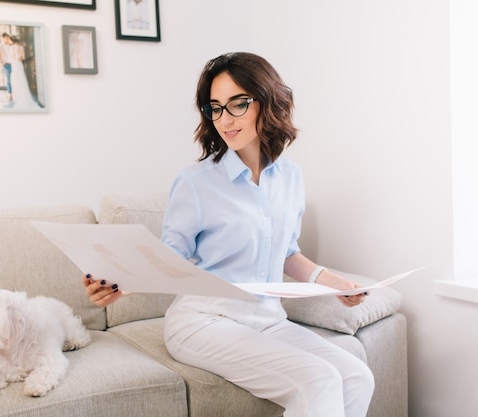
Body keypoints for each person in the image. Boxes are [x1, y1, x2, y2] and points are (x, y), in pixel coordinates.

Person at [82, 52, 375, 417]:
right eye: (215, 108)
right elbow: (169, 256)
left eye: (238, 104)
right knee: (318, 380)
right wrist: (123, 282)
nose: (225, 119)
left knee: (357, 377)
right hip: (204, 321)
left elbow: (285, 253)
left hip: (268, 320)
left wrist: (335, 283)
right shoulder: (196, 182)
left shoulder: (291, 178)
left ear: (267, 102)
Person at [0, 33, 13, 106]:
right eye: (6, 38)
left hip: (13, 64)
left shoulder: (11, 45)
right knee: (8, 80)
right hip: (6, 65)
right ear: (3, 38)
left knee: (14, 79)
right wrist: (3, 64)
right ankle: (10, 94)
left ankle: (15, 93)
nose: (7, 39)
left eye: (8, 38)